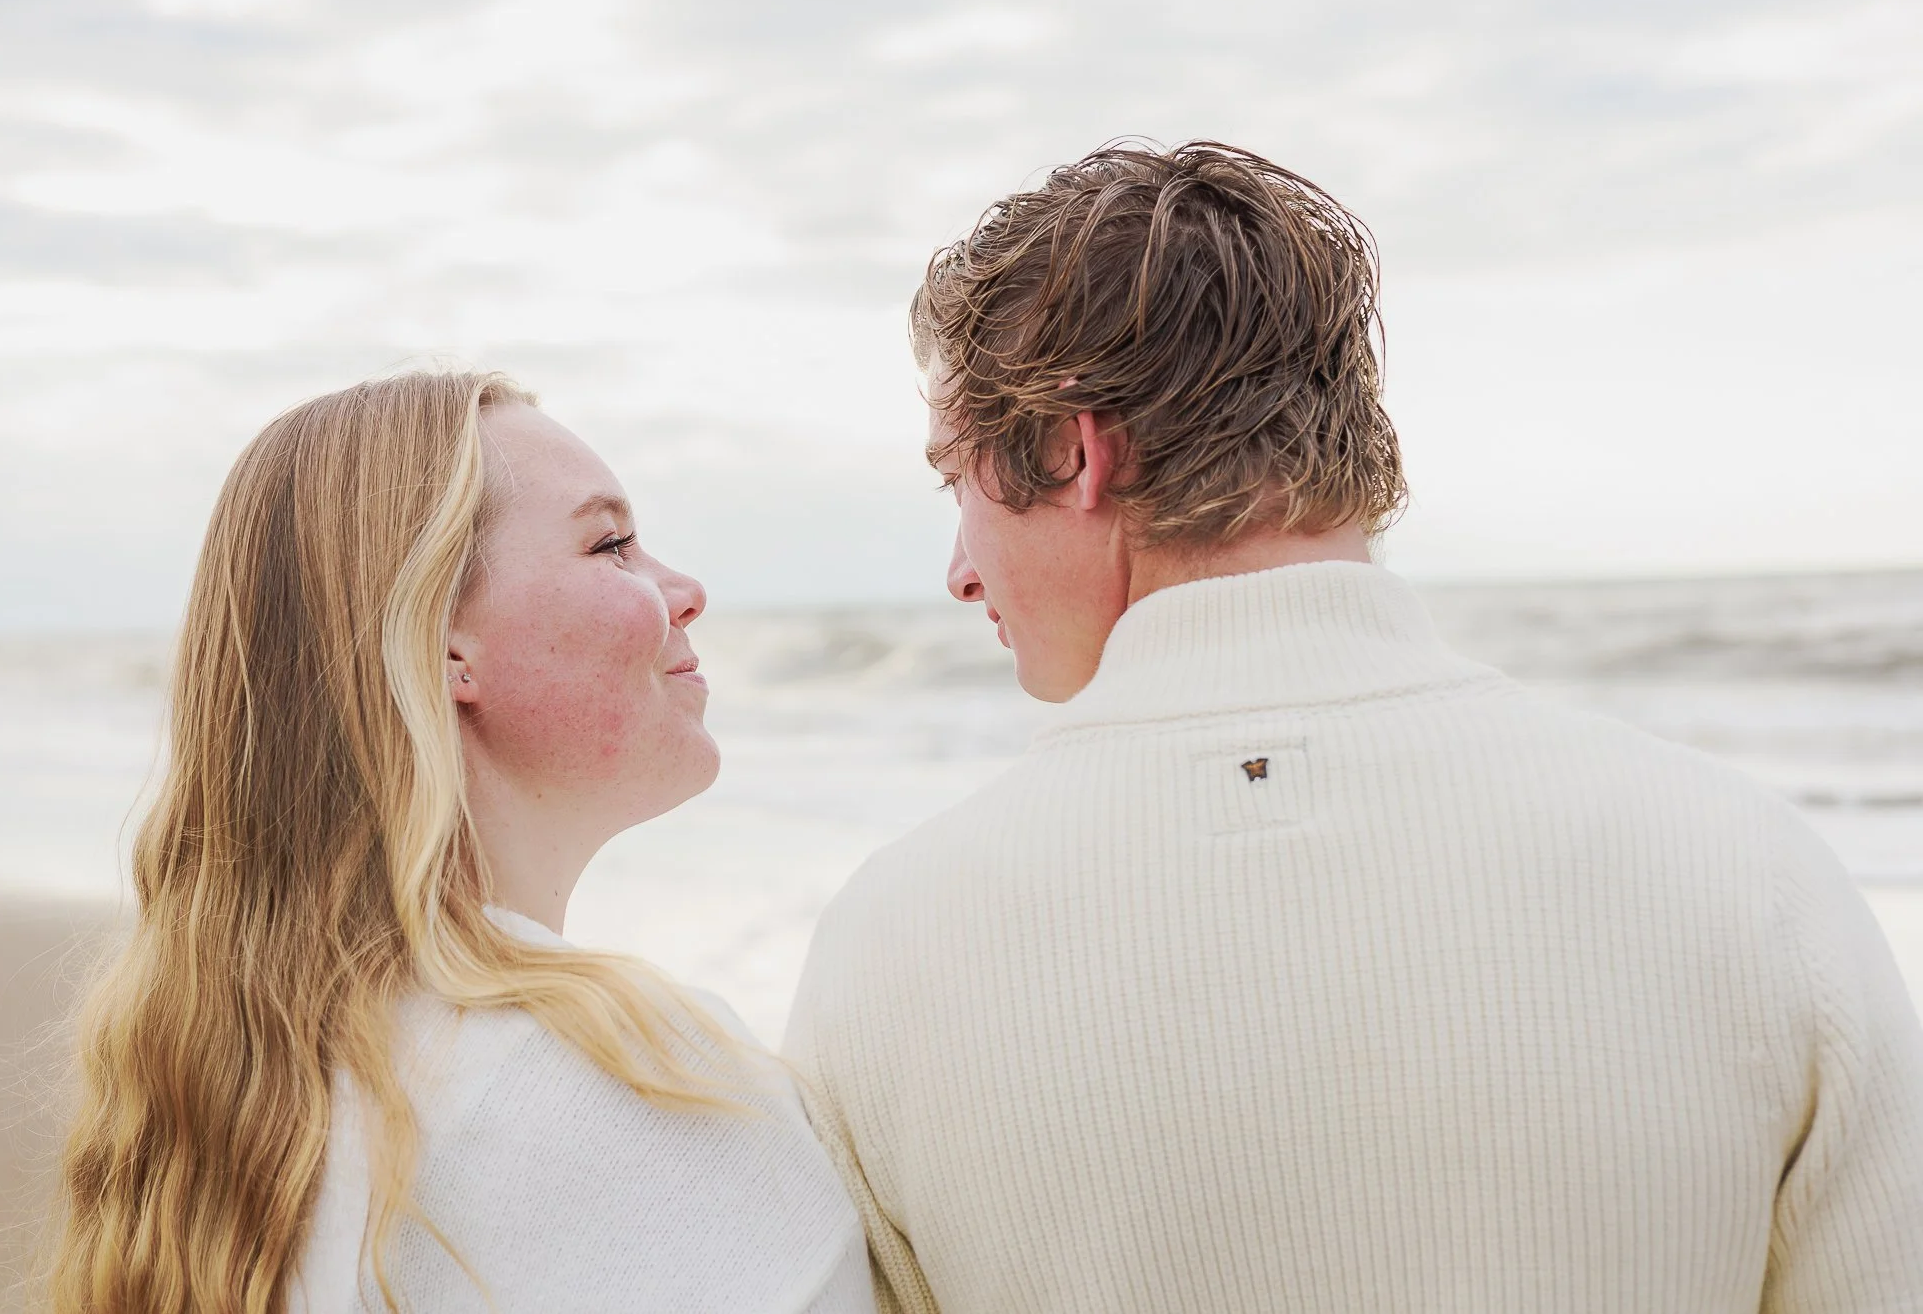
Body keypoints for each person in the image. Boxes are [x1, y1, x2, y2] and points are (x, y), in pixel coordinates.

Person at [785, 142, 1923, 1313]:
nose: (959, 572)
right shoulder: (1745, 871)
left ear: (1076, 451)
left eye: (953, 484)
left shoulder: (886, 948)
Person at [44, 372, 875, 1314]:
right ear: (441, 644)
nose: (685, 591)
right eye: (612, 544)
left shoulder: (253, 1100)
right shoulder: (629, 1080)